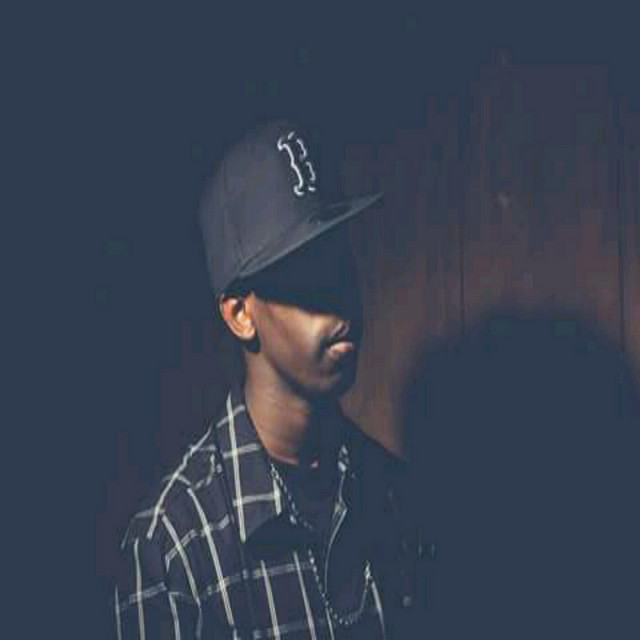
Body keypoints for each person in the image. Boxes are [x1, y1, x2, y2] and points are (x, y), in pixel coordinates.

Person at [113, 119, 432, 639]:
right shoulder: (171, 545)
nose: (340, 298)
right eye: (306, 273)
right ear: (241, 313)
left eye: (341, 263)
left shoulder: (395, 495)